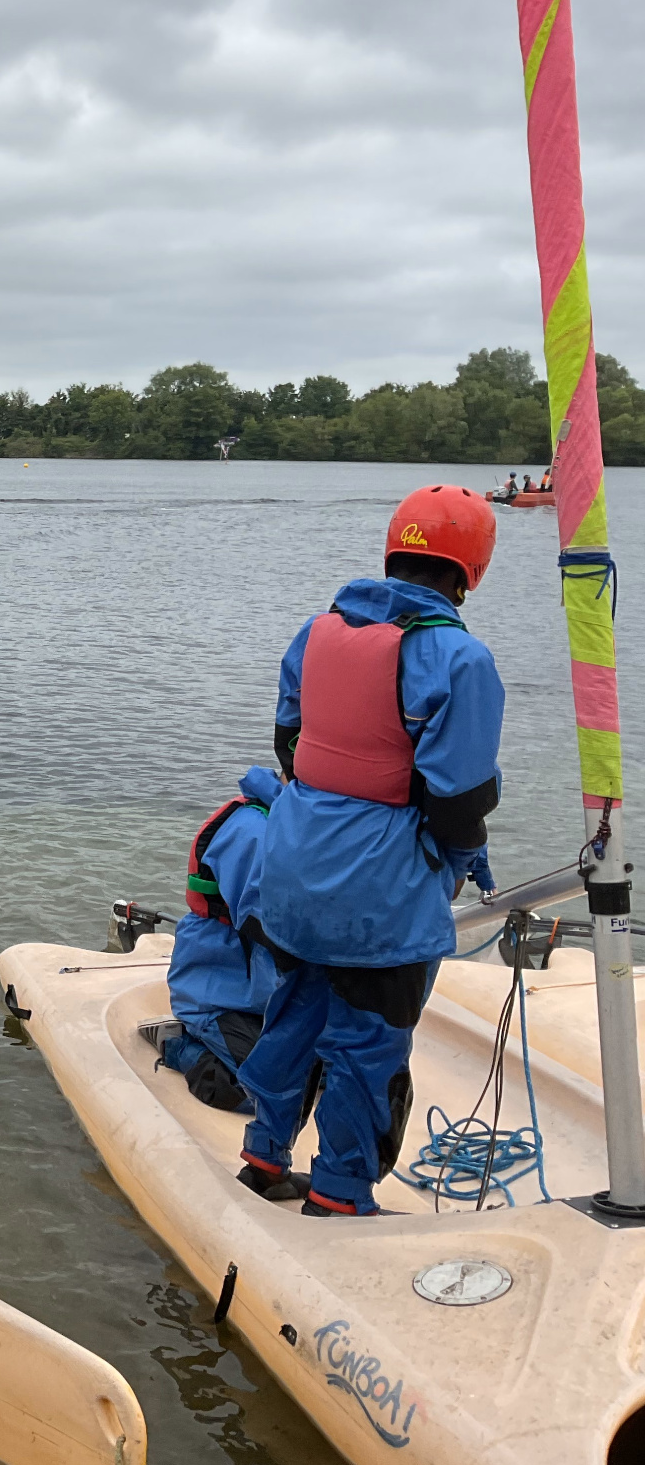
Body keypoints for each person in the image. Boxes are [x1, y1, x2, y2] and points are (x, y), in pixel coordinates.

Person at [236, 485, 502, 1217]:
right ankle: (341, 1194)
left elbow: (290, 744)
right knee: (367, 1044)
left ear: (393, 550)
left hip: (292, 867)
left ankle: (262, 1154)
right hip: (378, 899)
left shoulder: (316, 632)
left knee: (293, 1010)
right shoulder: (459, 658)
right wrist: (464, 856)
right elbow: (459, 798)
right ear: (469, 570)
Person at [150, 765, 286, 1117]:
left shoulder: (308, 826)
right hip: (219, 992)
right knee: (259, 1091)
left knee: (328, 1075)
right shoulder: (252, 830)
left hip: (270, 992)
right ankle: (181, 1045)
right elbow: (273, 928)